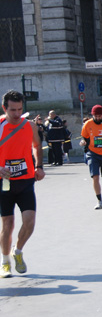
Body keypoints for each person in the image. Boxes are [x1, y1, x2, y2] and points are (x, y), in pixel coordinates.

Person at [0, 90, 45, 278]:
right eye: (13, 110)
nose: (17, 114)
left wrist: (39, 166)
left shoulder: (30, 126)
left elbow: (37, 145)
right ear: (4, 108)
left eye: (20, 109)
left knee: (30, 223)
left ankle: (17, 251)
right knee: (8, 224)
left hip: (26, 180)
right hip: (4, 183)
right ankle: (5, 262)